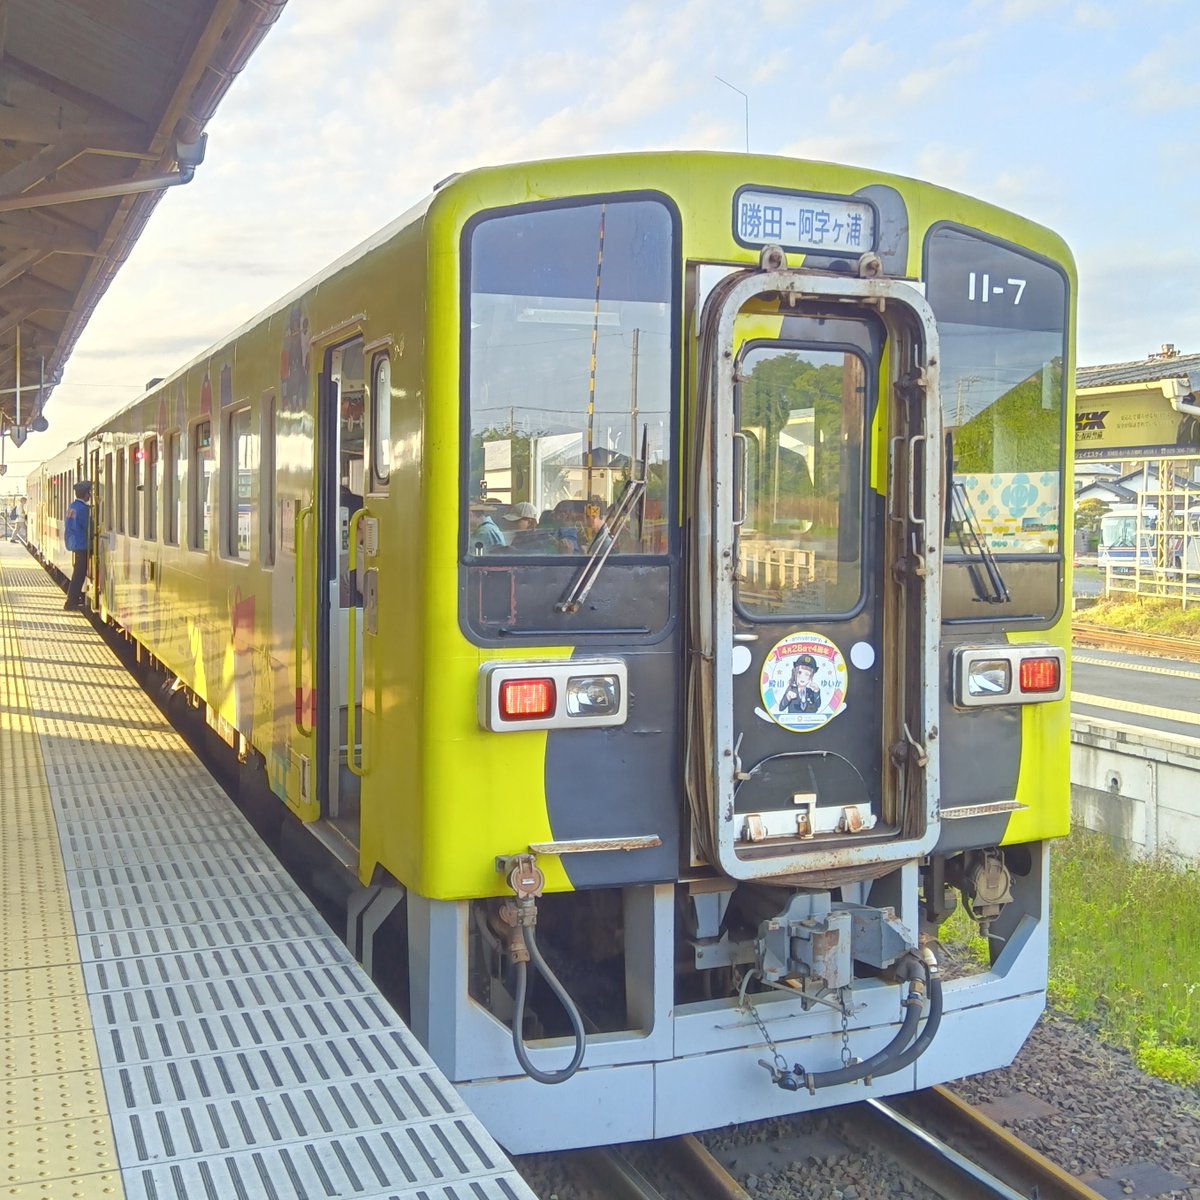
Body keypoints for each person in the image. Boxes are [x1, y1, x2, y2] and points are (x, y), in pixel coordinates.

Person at [64, 480, 92, 610]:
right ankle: (71, 602)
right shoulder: (83, 509)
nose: (90, 495)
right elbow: (88, 527)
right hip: (82, 544)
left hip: (74, 543)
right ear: (86, 494)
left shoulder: (72, 506)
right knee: (79, 574)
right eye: (89, 492)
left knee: (77, 573)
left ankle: (72, 599)